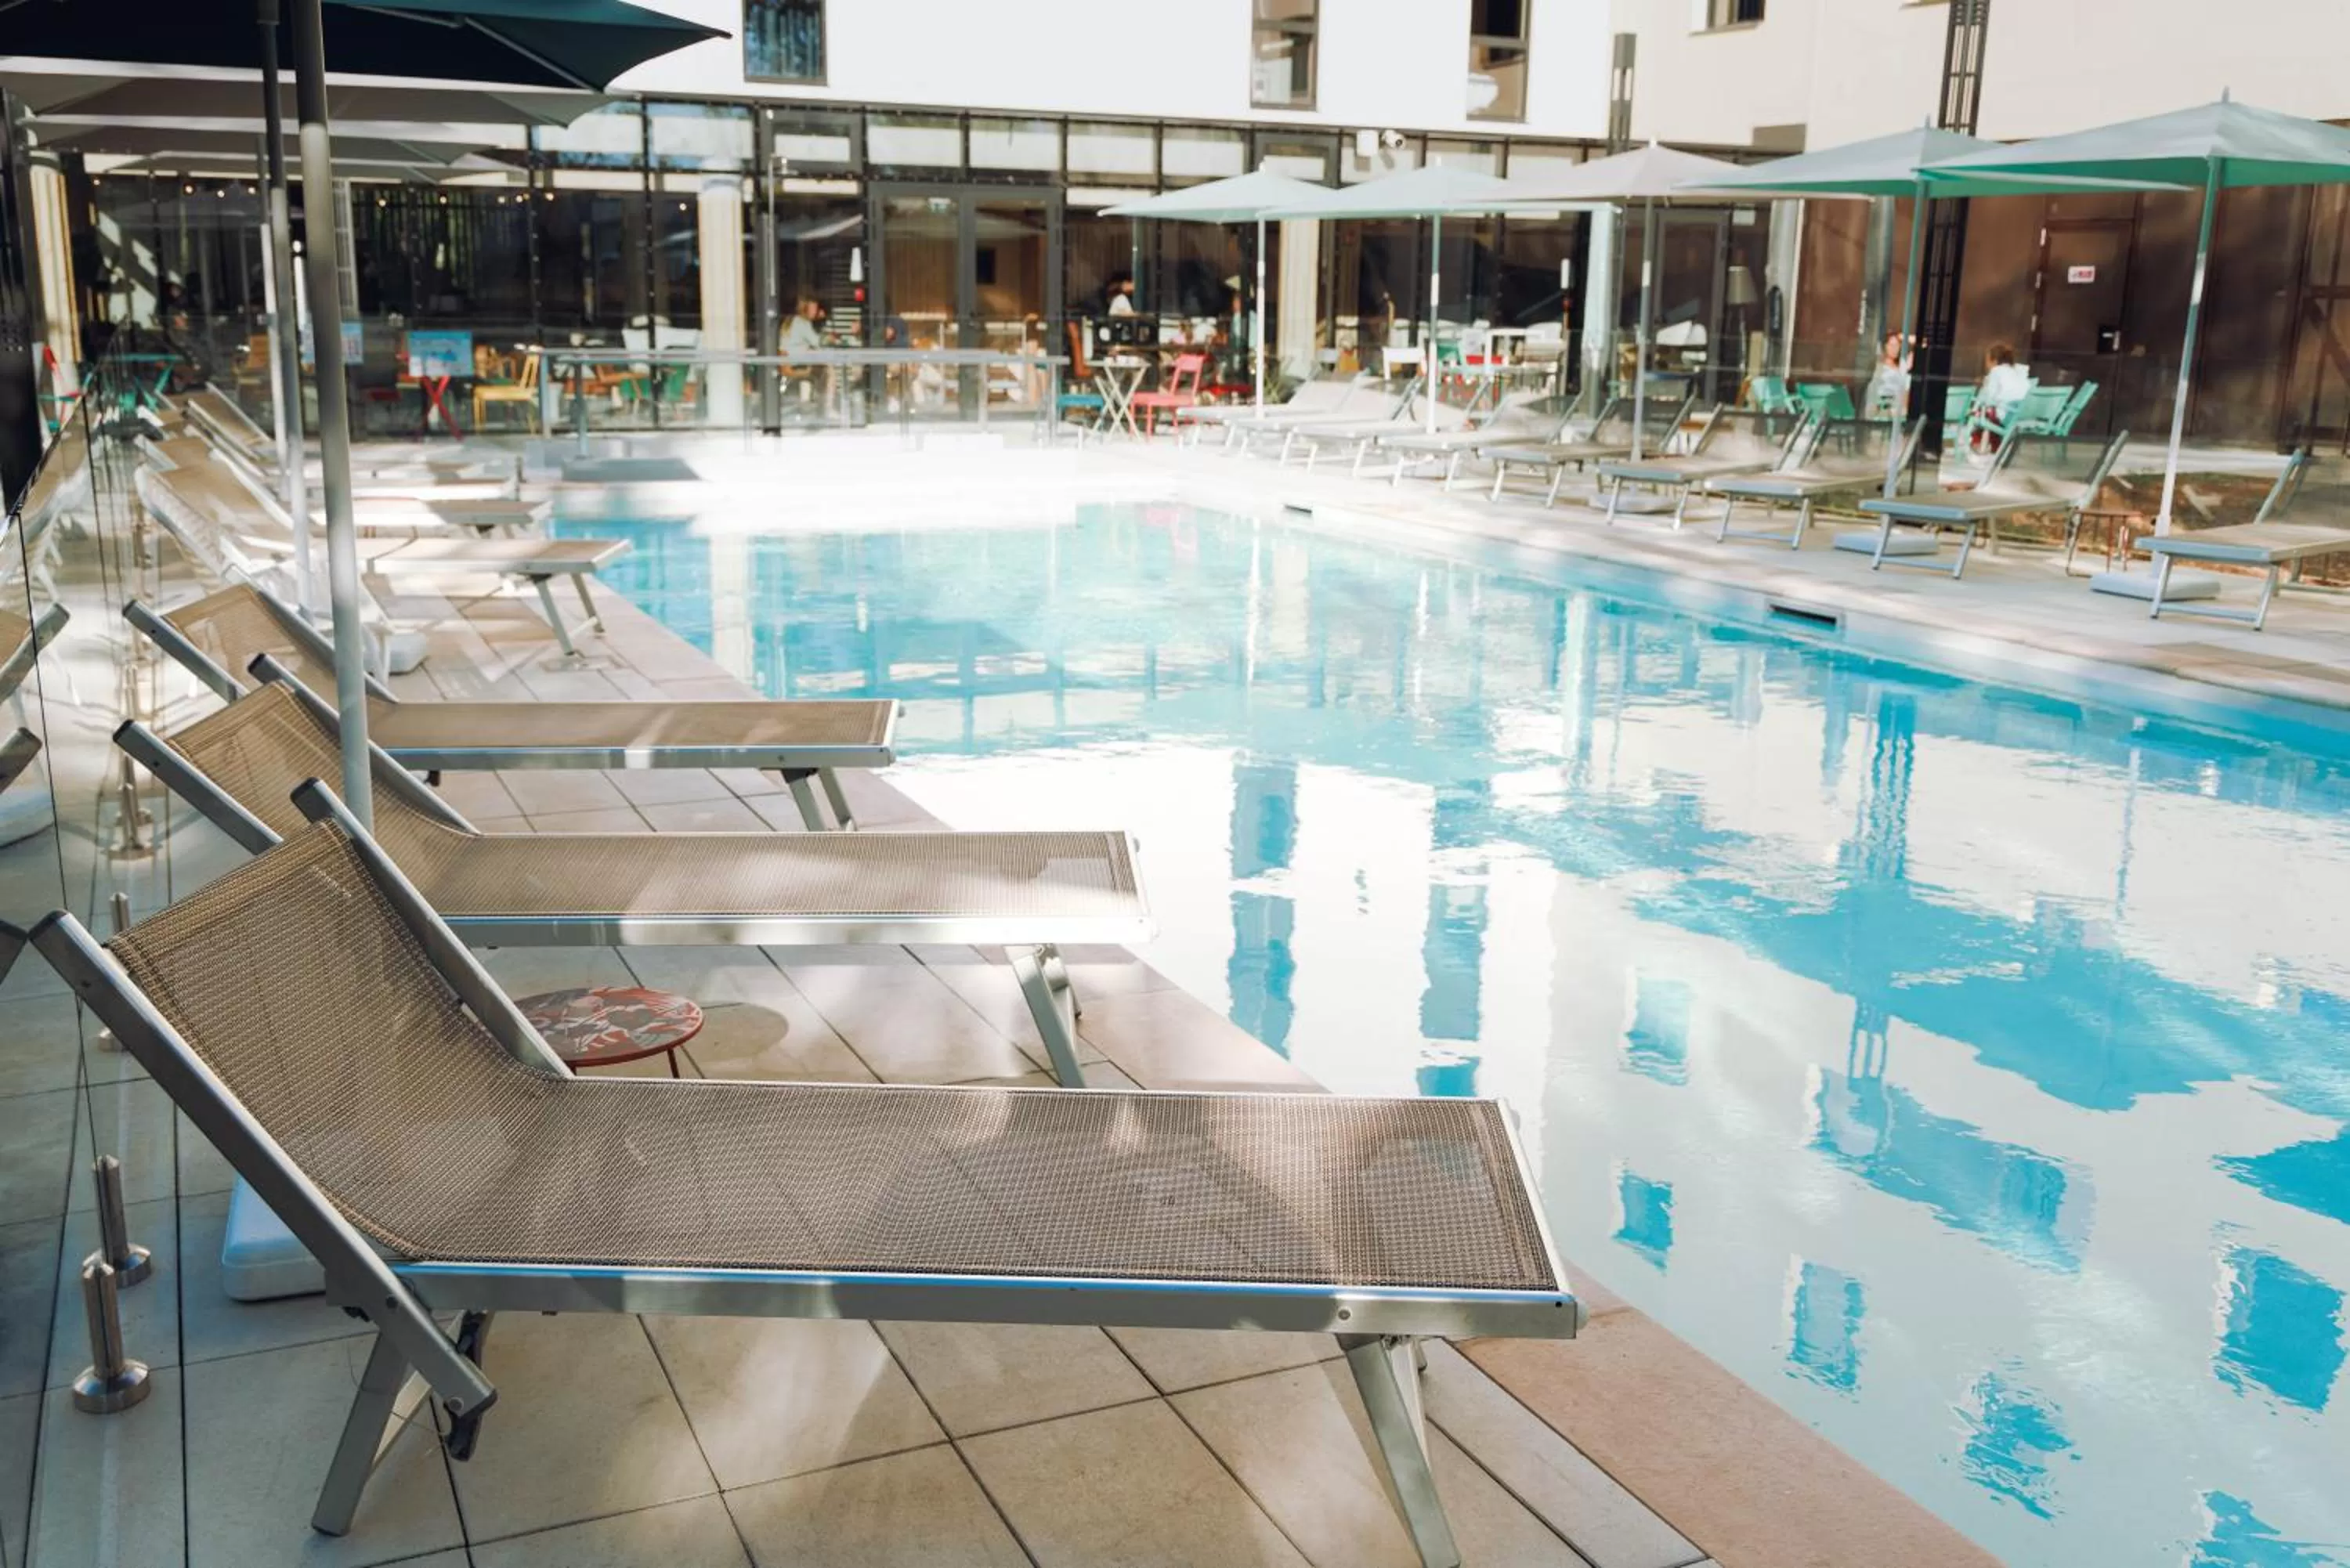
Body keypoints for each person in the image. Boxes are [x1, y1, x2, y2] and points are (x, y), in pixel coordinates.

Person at [1973, 341, 2030, 450]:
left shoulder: (1996, 372)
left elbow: (1988, 399)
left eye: (1987, 361)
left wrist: (1975, 408)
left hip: (2004, 416)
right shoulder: (2020, 372)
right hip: (2020, 415)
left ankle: (1979, 446)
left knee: (1979, 413)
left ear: (1994, 361)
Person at [1865, 331, 1911, 417]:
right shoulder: (1880, 367)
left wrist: (1904, 337)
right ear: (1885, 346)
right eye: (1892, 345)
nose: (1895, 349)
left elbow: (1922, 345)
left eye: (1897, 345)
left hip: (1901, 407)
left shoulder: (1901, 366)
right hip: (1886, 407)